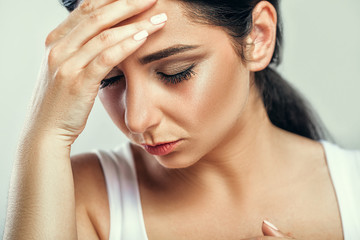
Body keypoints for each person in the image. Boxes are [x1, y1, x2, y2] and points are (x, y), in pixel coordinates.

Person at [3, 0, 360, 239]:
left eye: (176, 72)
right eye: (108, 79)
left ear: (258, 37)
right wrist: (45, 137)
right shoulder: (77, 198)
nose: (137, 119)